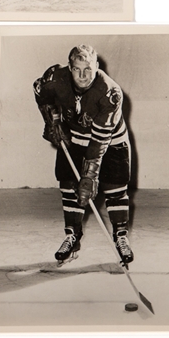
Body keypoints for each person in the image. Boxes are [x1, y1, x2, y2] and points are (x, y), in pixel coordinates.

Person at [33, 44, 134, 265]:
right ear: (70, 67)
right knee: (68, 186)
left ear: (96, 67)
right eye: (77, 69)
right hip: (75, 138)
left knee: (115, 189)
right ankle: (72, 236)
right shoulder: (56, 78)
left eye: (87, 69)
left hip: (110, 141)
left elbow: (99, 140)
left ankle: (120, 237)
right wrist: (52, 117)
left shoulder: (110, 92)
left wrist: (89, 176)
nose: (82, 75)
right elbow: (39, 91)